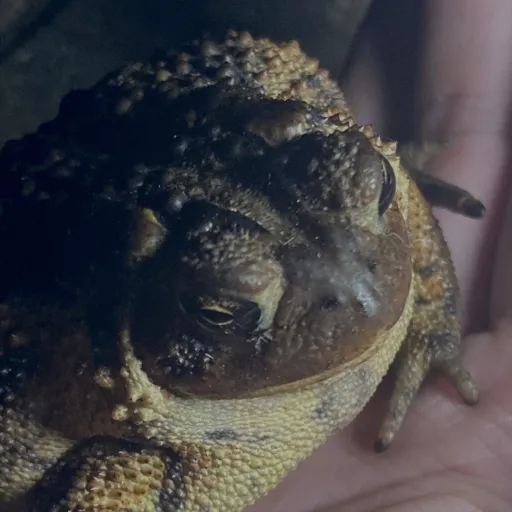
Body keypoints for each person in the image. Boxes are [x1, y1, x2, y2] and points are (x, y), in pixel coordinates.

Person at [249, 1, 512, 510]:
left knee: (354, 178)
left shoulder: (338, 158)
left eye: (384, 192)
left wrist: (433, 321)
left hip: (277, 105)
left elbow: (357, 158)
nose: (366, 299)